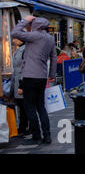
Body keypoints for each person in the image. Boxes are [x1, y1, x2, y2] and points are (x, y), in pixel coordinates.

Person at [11, 15, 57, 144]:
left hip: (30, 76)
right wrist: (52, 73)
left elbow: (15, 32)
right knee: (41, 106)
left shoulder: (34, 36)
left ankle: (36, 135)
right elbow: (54, 57)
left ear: (35, 25)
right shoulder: (50, 38)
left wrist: (26, 19)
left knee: (29, 106)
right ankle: (47, 135)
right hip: (42, 76)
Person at [10, 38, 29, 136]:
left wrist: (21, 85)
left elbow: (24, 67)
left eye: (15, 39)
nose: (13, 41)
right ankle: (23, 126)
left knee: (23, 106)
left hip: (22, 82)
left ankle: (24, 127)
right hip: (17, 80)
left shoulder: (25, 49)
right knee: (21, 106)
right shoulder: (19, 49)